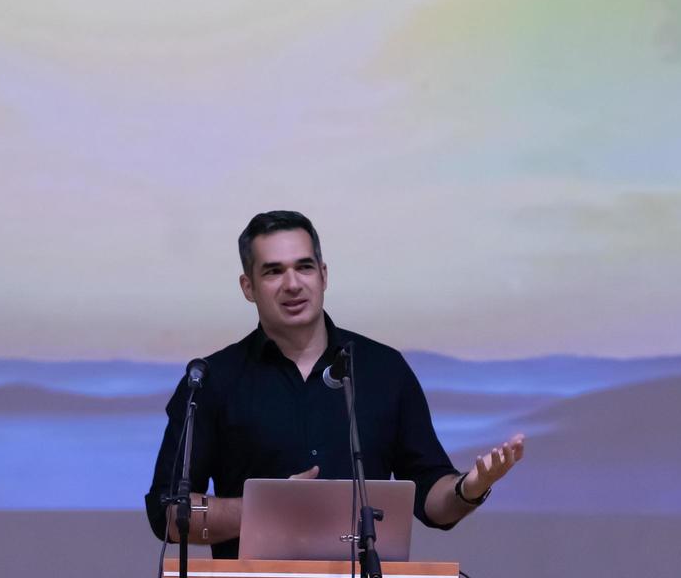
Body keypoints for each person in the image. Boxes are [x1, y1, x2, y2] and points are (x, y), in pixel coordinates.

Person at [144, 210, 525, 558]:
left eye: (304, 267)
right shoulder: (212, 379)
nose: (292, 284)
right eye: (273, 271)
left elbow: (432, 499)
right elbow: (167, 510)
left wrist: (469, 488)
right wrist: (264, 510)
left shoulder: (383, 370)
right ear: (248, 287)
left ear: (324, 276)